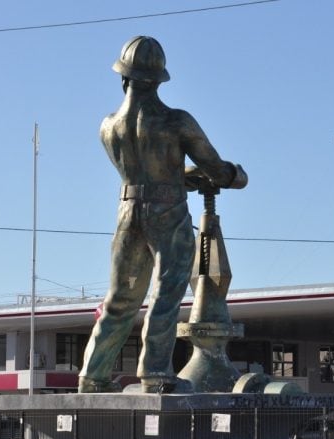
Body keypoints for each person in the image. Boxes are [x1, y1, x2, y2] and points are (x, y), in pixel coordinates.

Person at [78, 36, 247, 393]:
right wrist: (234, 175)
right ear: (158, 80)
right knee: (167, 292)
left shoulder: (108, 127)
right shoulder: (176, 121)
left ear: (123, 78)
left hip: (127, 210)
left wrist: (179, 176)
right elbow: (214, 169)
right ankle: (155, 372)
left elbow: (146, 173)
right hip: (167, 212)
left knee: (120, 298)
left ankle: (92, 376)